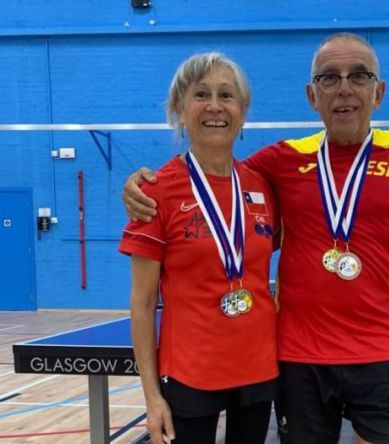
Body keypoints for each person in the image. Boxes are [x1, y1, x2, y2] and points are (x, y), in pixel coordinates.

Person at [124, 33, 389, 444]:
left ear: (379, 92)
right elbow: (211, 177)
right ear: (311, 95)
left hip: (377, 351)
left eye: (359, 76)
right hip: (296, 358)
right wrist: (140, 185)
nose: (344, 89)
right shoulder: (283, 160)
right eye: (329, 78)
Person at [118, 52, 279, 444]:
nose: (214, 106)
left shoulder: (261, 185)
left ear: (243, 110)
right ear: (179, 108)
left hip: (258, 367)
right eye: (201, 94)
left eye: (226, 95)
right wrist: (152, 396)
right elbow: (141, 305)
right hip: (190, 373)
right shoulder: (155, 190)